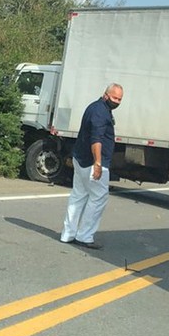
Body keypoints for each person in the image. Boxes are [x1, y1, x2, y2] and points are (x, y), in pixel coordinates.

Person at [60, 83, 124, 250]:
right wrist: (98, 162)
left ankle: (68, 234)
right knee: (98, 197)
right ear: (106, 94)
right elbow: (96, 139)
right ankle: (85, 236)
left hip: (80, 158)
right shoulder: (101, 113)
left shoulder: (94, 107)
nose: (117, 101)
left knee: (78, 195)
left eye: (119, 99)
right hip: (92, 162)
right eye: (114, 97)